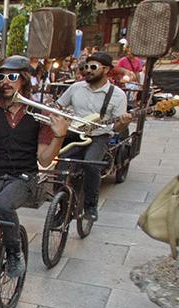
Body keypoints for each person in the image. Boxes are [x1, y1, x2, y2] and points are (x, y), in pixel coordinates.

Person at [0, 56, 69, 278]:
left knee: (3, 205)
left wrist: (58, 138)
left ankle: (15, 252)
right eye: (1, 76)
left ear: (23, 80)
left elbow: (43, 160)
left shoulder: (37, 114)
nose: (5, 81)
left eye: (12, 77)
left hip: (23, 178)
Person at [56, 52, 133, 221]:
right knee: (60, 165)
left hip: (99, 136)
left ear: (106, 70)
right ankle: (61, 207)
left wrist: (124, 122)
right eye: (86, 67)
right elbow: (59, 105)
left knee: (91, 165)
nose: (88, 71)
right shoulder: (76, 88)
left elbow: (118, 127)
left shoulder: (117, 95)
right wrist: (61, 117)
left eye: (93, 67)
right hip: (75, 133)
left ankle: (90, 206)